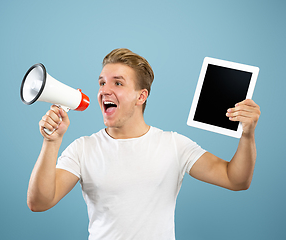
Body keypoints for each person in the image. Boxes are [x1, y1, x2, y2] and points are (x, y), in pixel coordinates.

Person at [27, 48, 261, 240]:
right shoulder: (83, 148)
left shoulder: (174, 145)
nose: (104, 91)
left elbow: (236, 179)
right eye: (101, 83)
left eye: (117, 83)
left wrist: (247, 135)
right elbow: (39, 202)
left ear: (141, 96)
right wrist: (52, 142)